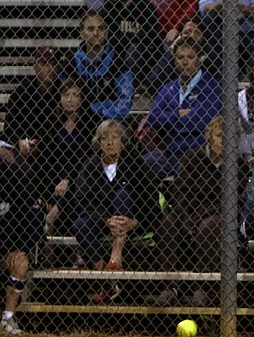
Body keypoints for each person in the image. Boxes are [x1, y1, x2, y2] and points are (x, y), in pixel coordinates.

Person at [154, 116, 247, 307]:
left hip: (219, 213)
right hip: (190, 210)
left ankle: (205, 288)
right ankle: (169, 286)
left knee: (209, 228)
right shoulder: (193, 158)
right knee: (168, 224)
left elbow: (230, 200)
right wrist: (186, 218)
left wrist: (197, 219)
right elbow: (180, 191)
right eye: (220, 136)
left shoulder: (239, 165)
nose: (223, 141)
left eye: (229, 137)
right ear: (209, 137)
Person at [71, 119, 160, 303]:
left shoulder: (135, 163)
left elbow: (151, 202)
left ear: (122, 141)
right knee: (80, 224)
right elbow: (82, 201)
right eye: (105, 138)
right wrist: (105, 220)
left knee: (122, 195)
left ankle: (116, 255)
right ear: (99, 142)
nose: (110, 143)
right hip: (103, 222)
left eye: (114, 137)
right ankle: (107, 278)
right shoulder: (90, 166)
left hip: (134, 221)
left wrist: (134, 221)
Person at [144, 37, 222, 179]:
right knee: (141, 165)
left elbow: (199, 122)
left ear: (199, 60)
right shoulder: (169, 87)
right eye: (180, 57)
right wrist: (178, 114)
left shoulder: (210, 86)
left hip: (196, 154)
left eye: (190, 57)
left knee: (187, 171)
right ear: (174, 61)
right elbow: (153, 118)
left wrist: (168, 122)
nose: (185, 62)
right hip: (170, 153)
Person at [36, 77, 99, 236]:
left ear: (82, 99)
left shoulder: (91, 123)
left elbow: (89, 159)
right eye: (65, 94)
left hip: (82, 178)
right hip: (54, 179)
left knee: (73, 189)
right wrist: (53, 184)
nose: (69, 99)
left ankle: (53, 214)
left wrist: (68, 180)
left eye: (75, 95)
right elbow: (44, 159)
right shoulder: (51, 122)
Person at [63, 11, 134, 120]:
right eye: (90, 29)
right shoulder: (70, 62)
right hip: (77, 121)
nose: (96, 33)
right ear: (82, 33)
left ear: (106, 33)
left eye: (100, 28)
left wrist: (99, 112)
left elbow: (124, 102)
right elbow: (62, 96)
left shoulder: (118, 62)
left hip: (109, 122)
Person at [0, 159, 43, 334]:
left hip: (6, 245)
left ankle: (7, 318)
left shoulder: (12, 176)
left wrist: (16, 247)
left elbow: (32, 219)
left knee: (20, 262)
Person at [2, 46, 62, 167]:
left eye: (54, 64)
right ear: (35, 67)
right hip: (25, 152)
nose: (51, 69)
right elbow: (9, 129)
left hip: (55, 150)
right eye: (45, 64)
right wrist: (20, 142)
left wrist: (40, 144)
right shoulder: (21, 93)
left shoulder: (63, 93)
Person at [100, 0, 160, 92]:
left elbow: (150, 37)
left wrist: (121, 37)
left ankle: (131, 87)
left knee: (134, 48)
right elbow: (106, 37)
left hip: (142, 57)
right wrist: (112, 6)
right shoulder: (109, 7)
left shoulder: (145, 7)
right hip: (116, 54)